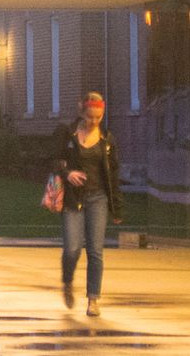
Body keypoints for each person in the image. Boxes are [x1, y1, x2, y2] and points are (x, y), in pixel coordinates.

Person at [54, 91, 124, 317]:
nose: (94, 121)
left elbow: (113, 173)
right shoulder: (68, 134)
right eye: (90, 116)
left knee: (95, 250)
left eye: (98, 117)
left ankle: (93, 298)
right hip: (74, 199)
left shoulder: (107, 139)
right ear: (81, 112)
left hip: (98, 198)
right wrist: (67, 173)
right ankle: (67, 281)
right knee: (72, 248)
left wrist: (117, 207)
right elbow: (53, 160)